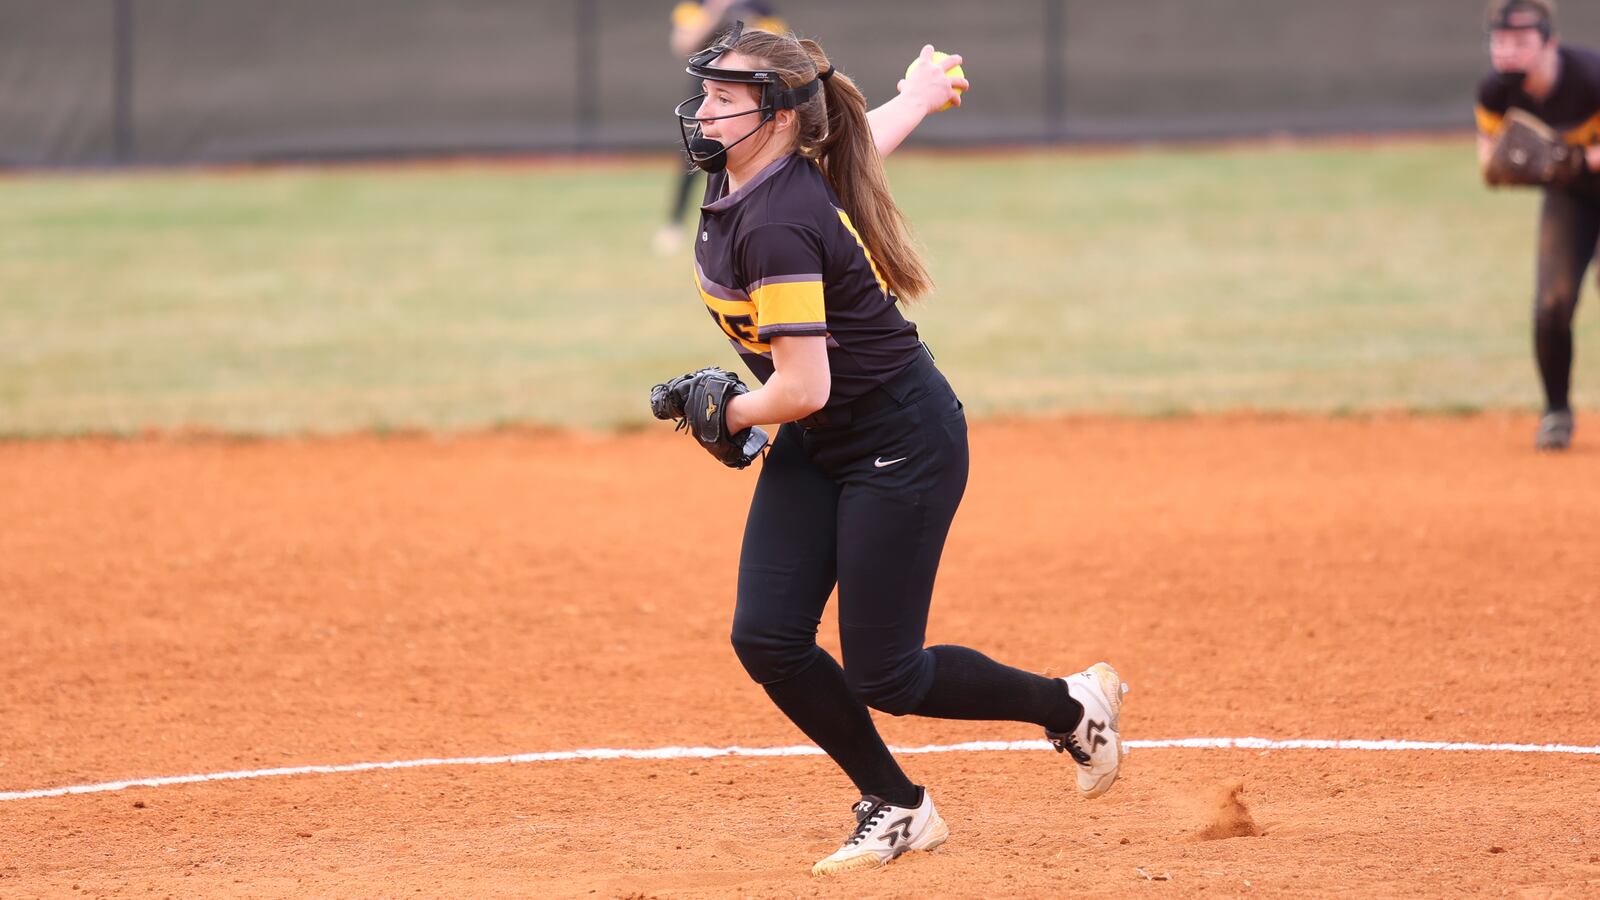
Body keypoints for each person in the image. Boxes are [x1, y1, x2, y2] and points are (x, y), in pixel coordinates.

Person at [649, 23, 1128, 876]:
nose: (704, 113)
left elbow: (804, 389)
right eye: (707, 95)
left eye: (726, 100)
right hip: (826, 437)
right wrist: (918, 94)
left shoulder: (776, 226)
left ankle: (1070, 705)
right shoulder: (758, 171)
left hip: (899, 438)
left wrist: (726, 413)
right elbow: (859, 144)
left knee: (888, 675)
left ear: (780, 117)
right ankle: (900, 805)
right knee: (768, 638)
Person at [1476, 0, 1600, 450]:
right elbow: (1489, 161)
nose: (1508, 51)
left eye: (1521, 41)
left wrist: (1580, 158)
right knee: (1551, 304)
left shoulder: (1589, 76)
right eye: (1500, 41)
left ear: (1551, 43)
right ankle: (1556, 412)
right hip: (1573, 198)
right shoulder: (1494, 92)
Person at [654, 1, 789, 255]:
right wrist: (716, 10)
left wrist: (747, 23)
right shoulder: (701, 3)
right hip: (710, 91)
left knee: (752, 158)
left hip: (747, 98)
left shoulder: (759, 5)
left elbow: (777, 49)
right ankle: (675, 224)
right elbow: (682, 43)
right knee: (696, 157)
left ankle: (755, 223)